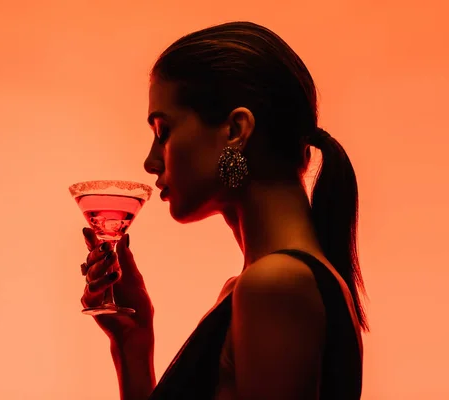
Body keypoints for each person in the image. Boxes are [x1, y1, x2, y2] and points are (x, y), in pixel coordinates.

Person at [79, 21, 368, 400]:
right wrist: (132, 342)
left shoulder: (275, 285)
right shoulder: (263, 286)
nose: (151, 162)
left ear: (235, 130)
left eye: (163, 131)